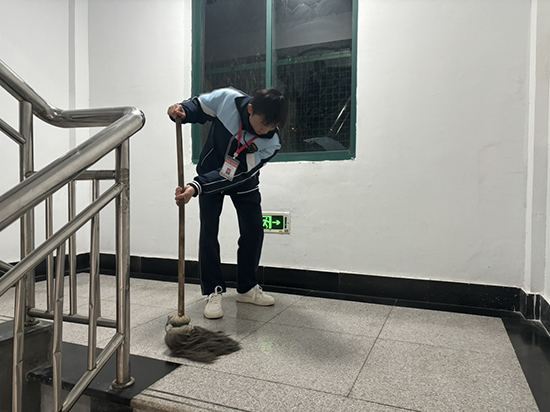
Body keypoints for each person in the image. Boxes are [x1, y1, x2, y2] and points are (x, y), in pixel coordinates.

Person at [167, 87, 289, 319]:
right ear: (250, 109)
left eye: (272, 127)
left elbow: (240, 171)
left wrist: (197, 186)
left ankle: (247, 288)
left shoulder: (272, 142)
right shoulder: (227, 100)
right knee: (209, 232)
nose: (265, 131)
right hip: (210, 171)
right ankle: (213, 291)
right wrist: (182, 110)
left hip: (243, 180)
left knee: (254, 231)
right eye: (263, 124)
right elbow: (198, 106)